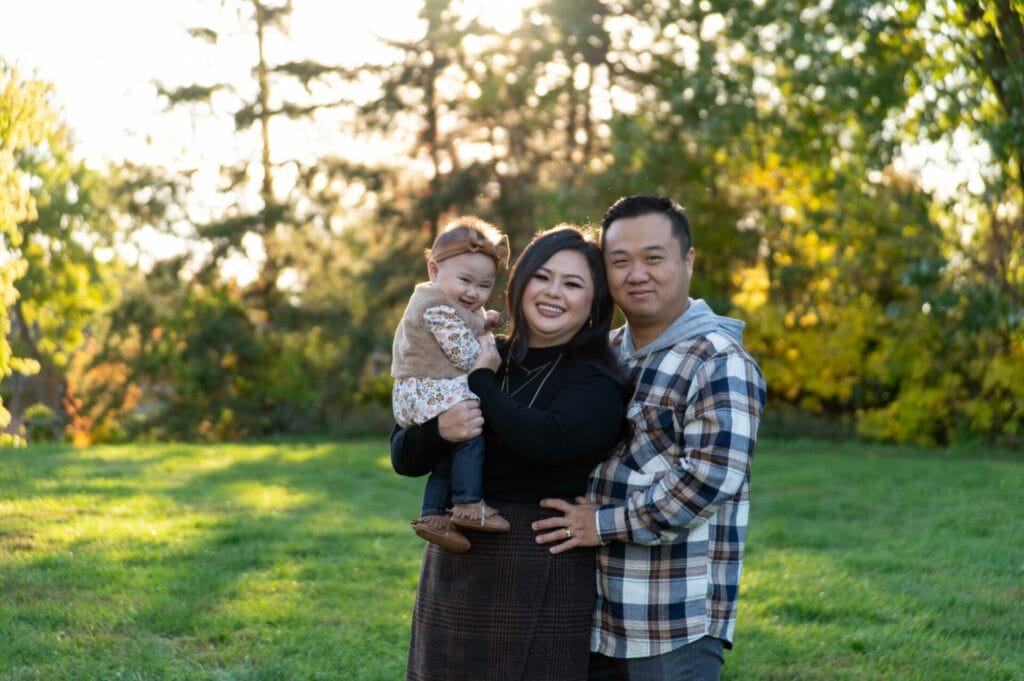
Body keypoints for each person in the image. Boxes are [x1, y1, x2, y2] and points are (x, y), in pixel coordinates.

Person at [532, 195, 767, 681]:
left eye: (653, 258)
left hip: (669, 624)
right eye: (619, 261)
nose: (636, 273)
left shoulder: (718, 360)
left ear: (687, 260)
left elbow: (709, 481)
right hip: (592, 613)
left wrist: (601, 524)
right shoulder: (604, 351)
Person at [391, 225, 629, 681]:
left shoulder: (596, 379)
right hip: (455, 562)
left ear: (595, 300)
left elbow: (544, 441)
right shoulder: (479, 353)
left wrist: (481, 384)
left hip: (538, 562)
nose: (553, 292)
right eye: (542, 276)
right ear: (519, 284)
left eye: (573, 283)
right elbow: (404, 455)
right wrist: (442, 429)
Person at [391, 217, 512, 552]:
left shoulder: (440, 303)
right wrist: (489, 351)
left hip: (423, 389)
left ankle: (433, 516)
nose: (473, 293)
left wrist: (479, 320)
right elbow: (464, 353)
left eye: (485, 286)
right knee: (472, 428)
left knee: (451, 447)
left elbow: (461, 323)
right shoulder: (434, 308)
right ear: (434, 271)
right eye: (465, 281)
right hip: (426, 389)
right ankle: (469, 503)